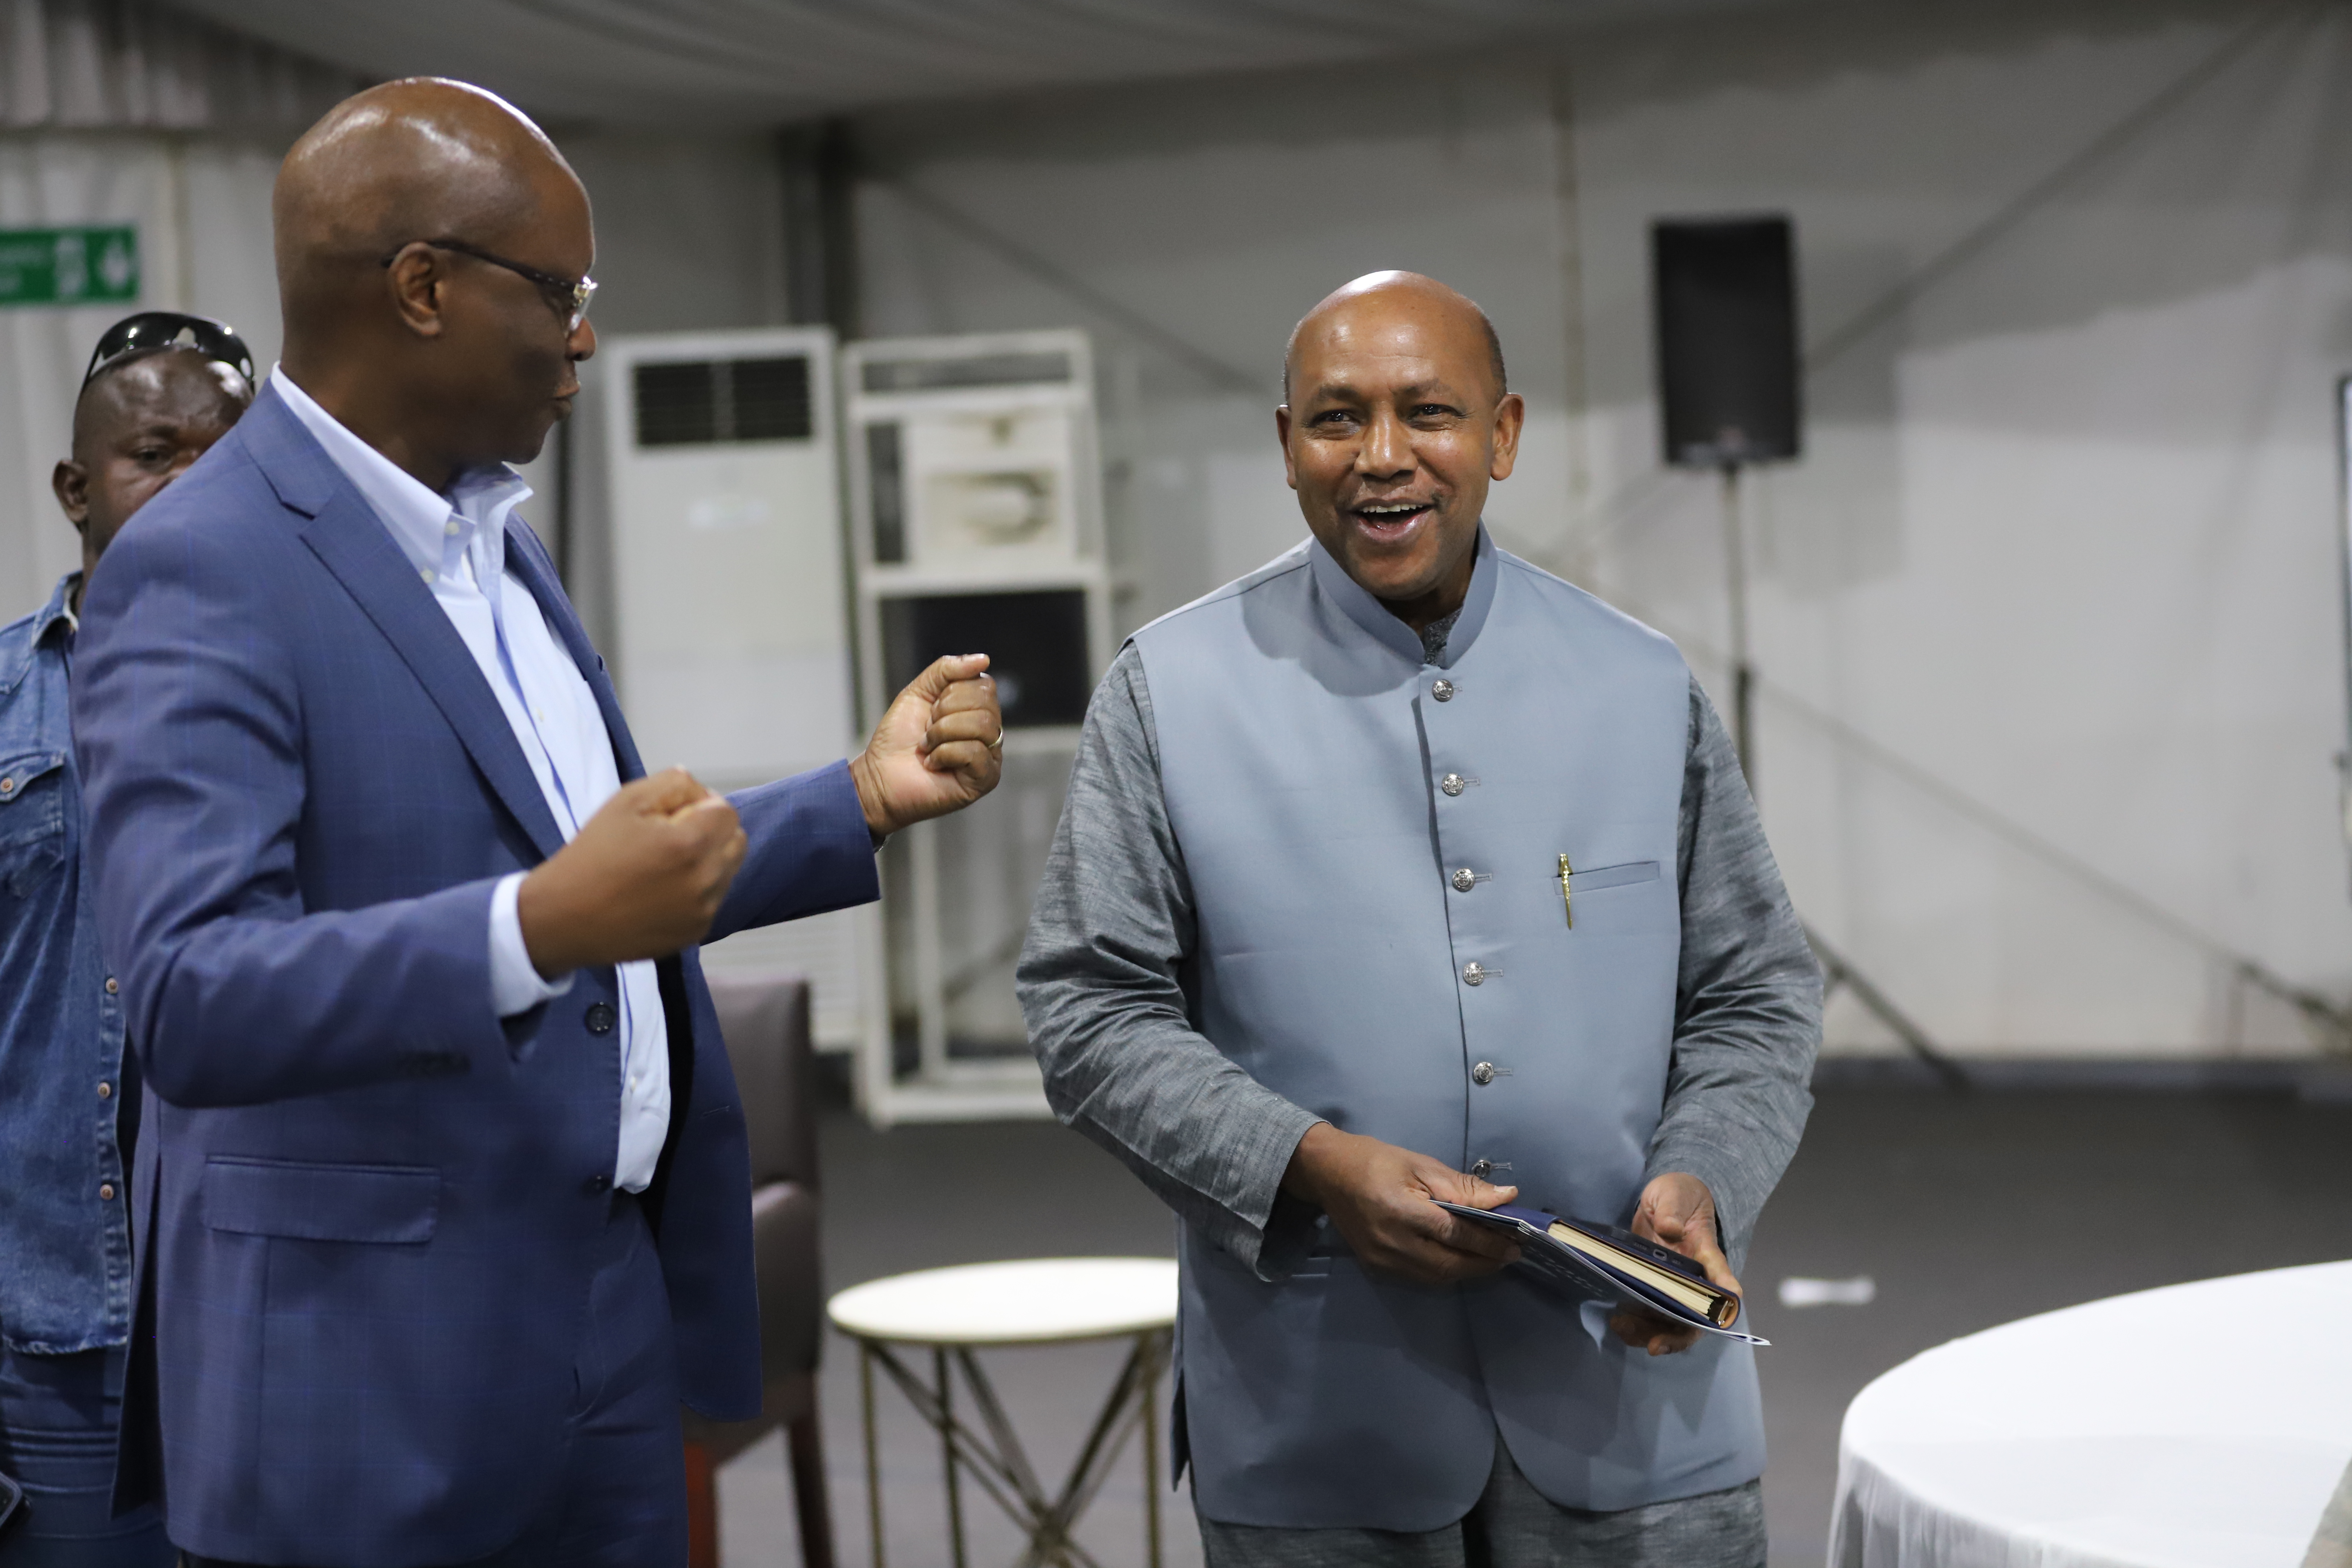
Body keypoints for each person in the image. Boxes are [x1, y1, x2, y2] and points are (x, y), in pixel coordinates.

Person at [71, 80, 1003, 1566]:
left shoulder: (494, 540)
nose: (583, 336)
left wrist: (860, 797)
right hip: (370, 1378)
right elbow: (193, 992)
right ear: (422, 289)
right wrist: (536, 927)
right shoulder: (204, 569)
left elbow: (594, 869)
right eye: (560, 293)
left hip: (598, 1323)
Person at [1018, 271, 1821, 1568]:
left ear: (1501, 435)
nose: (1384, 458)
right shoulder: (1169, 691)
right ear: (1286, 448)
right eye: (1338, 419)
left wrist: (1705, 1178)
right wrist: (1312, 1168)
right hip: (1319, 1419)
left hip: (1637, 1413)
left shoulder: (1639, 683)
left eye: (1429, 413)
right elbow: (1087, 1006)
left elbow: (1753, 990)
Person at [0, 312, 254, 1568]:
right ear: (75, 488)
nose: (197, 486)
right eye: (159, 454)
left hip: (276, 1318)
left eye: (231, 457)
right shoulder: (2, 713)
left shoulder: (329, 702)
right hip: (61, 1340)